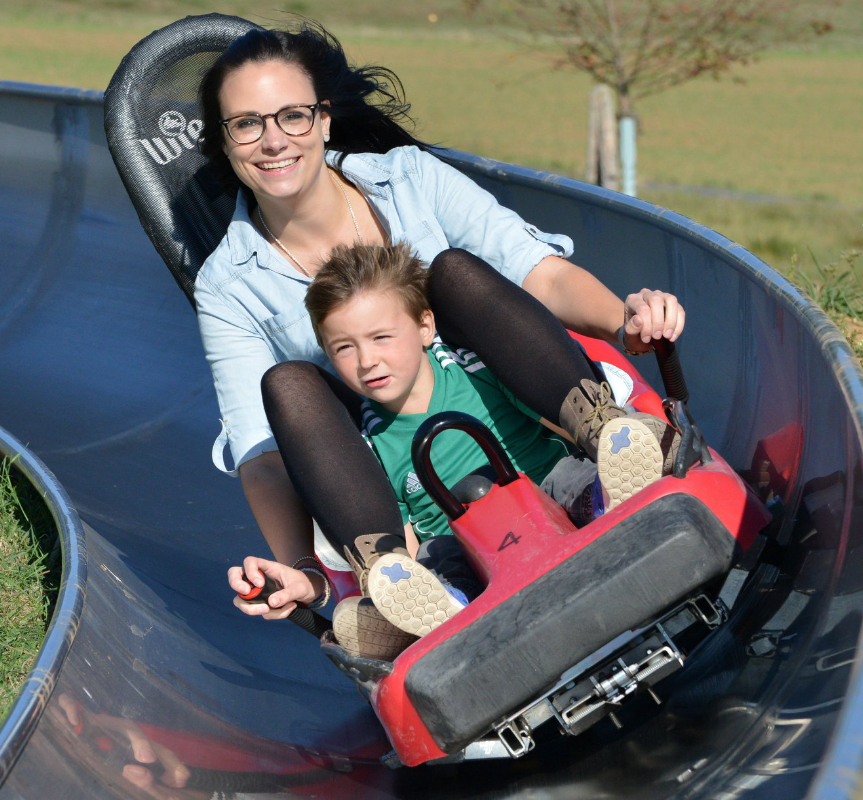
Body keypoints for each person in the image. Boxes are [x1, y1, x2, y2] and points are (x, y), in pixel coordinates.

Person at [195, 24, 686, 651]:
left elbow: (538, 272)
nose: (272, 141)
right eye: (246, 124)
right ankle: (395, 582)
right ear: (226, 140)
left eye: (291, 116)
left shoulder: (407, 180)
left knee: (450, 270)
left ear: (322, 120)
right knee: (286, 383)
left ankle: (610, 442)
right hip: (394, 476)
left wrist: (625, 318)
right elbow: (262, 451)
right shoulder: (228, 284)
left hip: (514, 403)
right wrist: (303, 568)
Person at [301, 241, 678, 657]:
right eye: (344, 348)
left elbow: (551, 412)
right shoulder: (367, 444)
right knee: (435, 556)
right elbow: (404, 540)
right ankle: (441, 608)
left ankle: (608, 494)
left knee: (567, 476)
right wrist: (401, 579)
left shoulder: (471, 367)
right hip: (465, 546)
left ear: (425, 327)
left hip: (540, 490)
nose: (368, 360)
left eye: (382, 338)